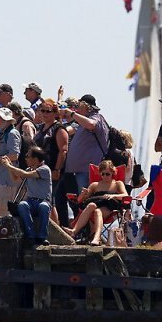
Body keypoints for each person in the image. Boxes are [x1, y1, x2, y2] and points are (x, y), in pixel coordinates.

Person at [54, 94, 110, 228]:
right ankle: (69, 227)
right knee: (61, 197)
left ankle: (84, 231)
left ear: (86, 106)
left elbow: (91, 125)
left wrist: (72, 114)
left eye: (80, 106)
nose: (77, 109)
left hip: (85, 171)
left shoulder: (96, 118)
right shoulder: (82, 121)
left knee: (83, 201)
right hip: (74, 171)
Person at [63, 160, 127, 245]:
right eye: (102, 174)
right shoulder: (95, 185)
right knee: (91, 205)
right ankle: (74, 231)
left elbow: (125, 195)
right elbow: (81, 200)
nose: (105, 176)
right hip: (96, 205)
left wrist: (113, 196)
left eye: (107, 174)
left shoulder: (117, 184)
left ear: (113, 173)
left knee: (97, 211)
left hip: (109, 207)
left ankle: (97, 238)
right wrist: (83, 194)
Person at [3, 145, 52, 245]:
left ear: (35, 159)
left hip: (43, 201)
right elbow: (15, 179)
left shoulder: (45, 169)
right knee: (22, 205)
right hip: (30, 201)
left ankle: (42, 237)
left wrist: (9, 166)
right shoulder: (29, 169)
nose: (26, 158)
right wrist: (9, 166)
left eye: (28, 156)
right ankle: (30, 235)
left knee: (44, 207)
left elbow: (25, 174)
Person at [0, 107, 21, 217]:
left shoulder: (12, 133)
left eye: (0, 118)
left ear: (8, 120)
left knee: (2, 214)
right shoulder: (2, 133)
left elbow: (14, 155)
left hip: (6, 181)